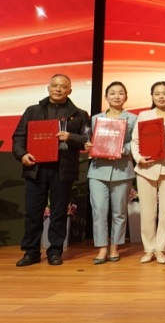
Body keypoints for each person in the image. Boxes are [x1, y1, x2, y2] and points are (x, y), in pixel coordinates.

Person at [13, 74, 90, 267]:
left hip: (62, 170)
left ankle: (55, 251)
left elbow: (88, 141)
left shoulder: (80, 114)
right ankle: (31, 252)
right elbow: (19, 137)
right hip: (36, 168)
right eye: (55, 85)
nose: (58, 89)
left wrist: (70, 136)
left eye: (63, 86)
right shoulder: (33, 111)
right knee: (33, 212)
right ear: (48, 88)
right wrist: (22, 155)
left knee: (58, 212)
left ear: (70, 91)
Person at [131, 81, 165, 264]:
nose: (161, 97)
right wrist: (139, 158)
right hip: (147, 166)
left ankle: (160, 249)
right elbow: (135, 141)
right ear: (152, 96)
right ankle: (149, 249)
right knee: (147, 211)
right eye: (157, 94)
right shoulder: (144, 116)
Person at [85, 81, 137, 264]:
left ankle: (115, 247)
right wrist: (88, 145)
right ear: (106, 97)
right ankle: (102, 248)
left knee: (119, 212)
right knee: (99, 210)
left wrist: (124, 149)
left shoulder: (133, 119)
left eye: (120, 93)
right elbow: (89, 140)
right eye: (112, 93)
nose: (116, 96)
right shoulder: (95, 119)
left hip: (122, 169)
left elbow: (136, 142)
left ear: (126, 97)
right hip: (98, 170)